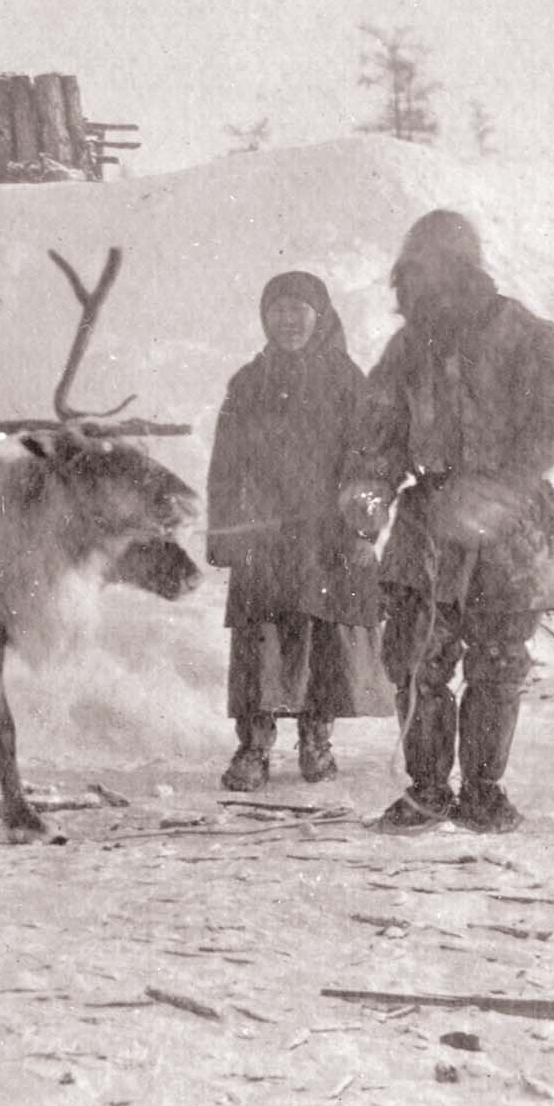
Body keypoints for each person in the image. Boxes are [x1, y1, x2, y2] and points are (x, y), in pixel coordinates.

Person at [343, 211, 554, 835]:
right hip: (428, 526)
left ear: (463, 271)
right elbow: (379, 434)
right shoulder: (406, 350)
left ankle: (483, 791)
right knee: (415, 657)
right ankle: (427, 789)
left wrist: (502, 486)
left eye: (432, 272)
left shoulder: (526, 336)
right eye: (411, 275)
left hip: (510, 525)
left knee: (498, 662)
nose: (419, 287)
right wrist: (369, 493)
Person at [205, 271, 389, 791]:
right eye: (277, 310)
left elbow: (369, 461)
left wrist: (363, 530)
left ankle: (316, 741)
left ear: (320, 315)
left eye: (298, 310)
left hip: (326, 534)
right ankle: (254, 747)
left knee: (321, 636)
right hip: (263, 535)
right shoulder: (248, 383)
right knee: (260, 640)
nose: (287, 321)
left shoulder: (349, 382)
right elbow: (226, 466)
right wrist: (225, 531)